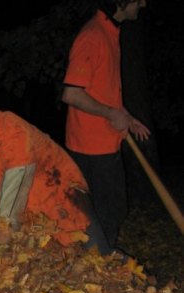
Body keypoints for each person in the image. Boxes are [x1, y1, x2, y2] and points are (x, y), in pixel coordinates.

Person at [0, 74, 108, 251]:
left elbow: (13, 198)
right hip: (28, 225)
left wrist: (0, 240)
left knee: (101, 259)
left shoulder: (10, 130)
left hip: (63, 205)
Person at [62, 0, 150, 251]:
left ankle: (97, 263)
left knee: (109, 213)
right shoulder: (93, 36)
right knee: (104, 215)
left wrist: (125, 116)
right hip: (91, 148)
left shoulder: (109, 32)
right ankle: (99, 265)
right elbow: (72, 94)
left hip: (104, 143)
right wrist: (111, 113)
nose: (143, 4)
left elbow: (101, 91)